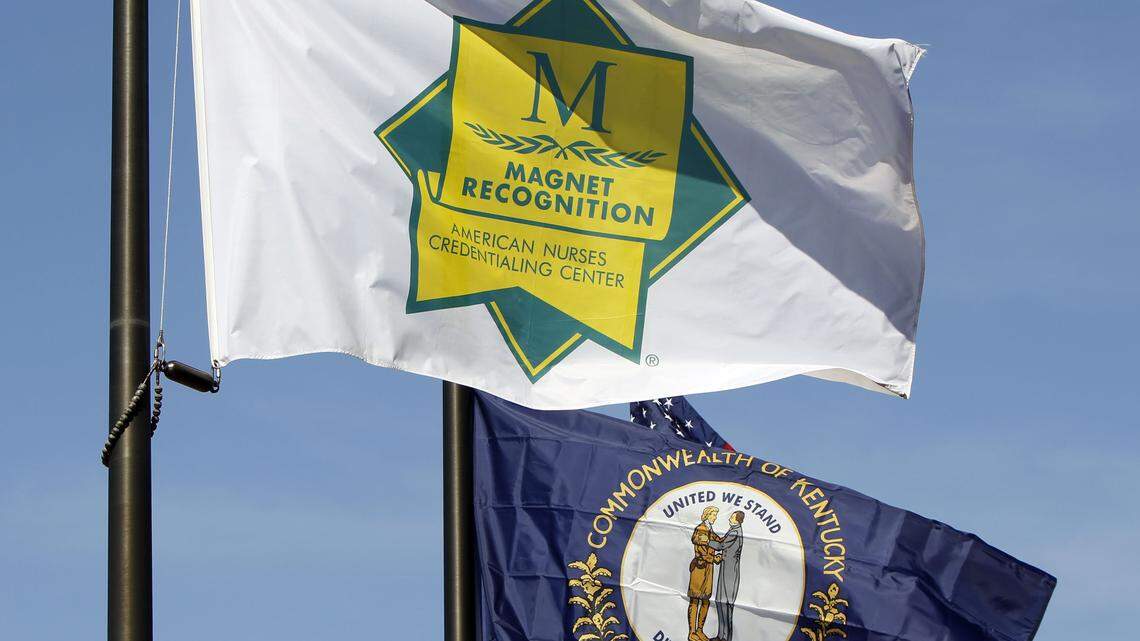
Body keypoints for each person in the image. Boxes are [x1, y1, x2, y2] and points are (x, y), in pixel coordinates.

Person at [687, 506, 723, 641]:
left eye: (715, 515)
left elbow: (718, 540)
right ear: (707, 515)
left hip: (708, 569)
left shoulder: (710, 529)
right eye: (713, 515)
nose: (715, 517)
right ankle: (692, 632)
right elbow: (702, 551)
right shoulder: (702, 529)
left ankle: (700, 630)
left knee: (706, 600)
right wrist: (714, 558)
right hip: (699, 568)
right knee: (695, 600)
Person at [710, 511, 745, 641]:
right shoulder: (732, 530)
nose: (729, 518)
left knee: (727, 605)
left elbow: (721, 545)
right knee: (719, 602)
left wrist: (706, 541)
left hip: (730, 573)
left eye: (732, 516)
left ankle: (727, 638)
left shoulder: (735, 532)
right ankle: (721, 635)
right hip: (725, 570)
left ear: (737, 520)